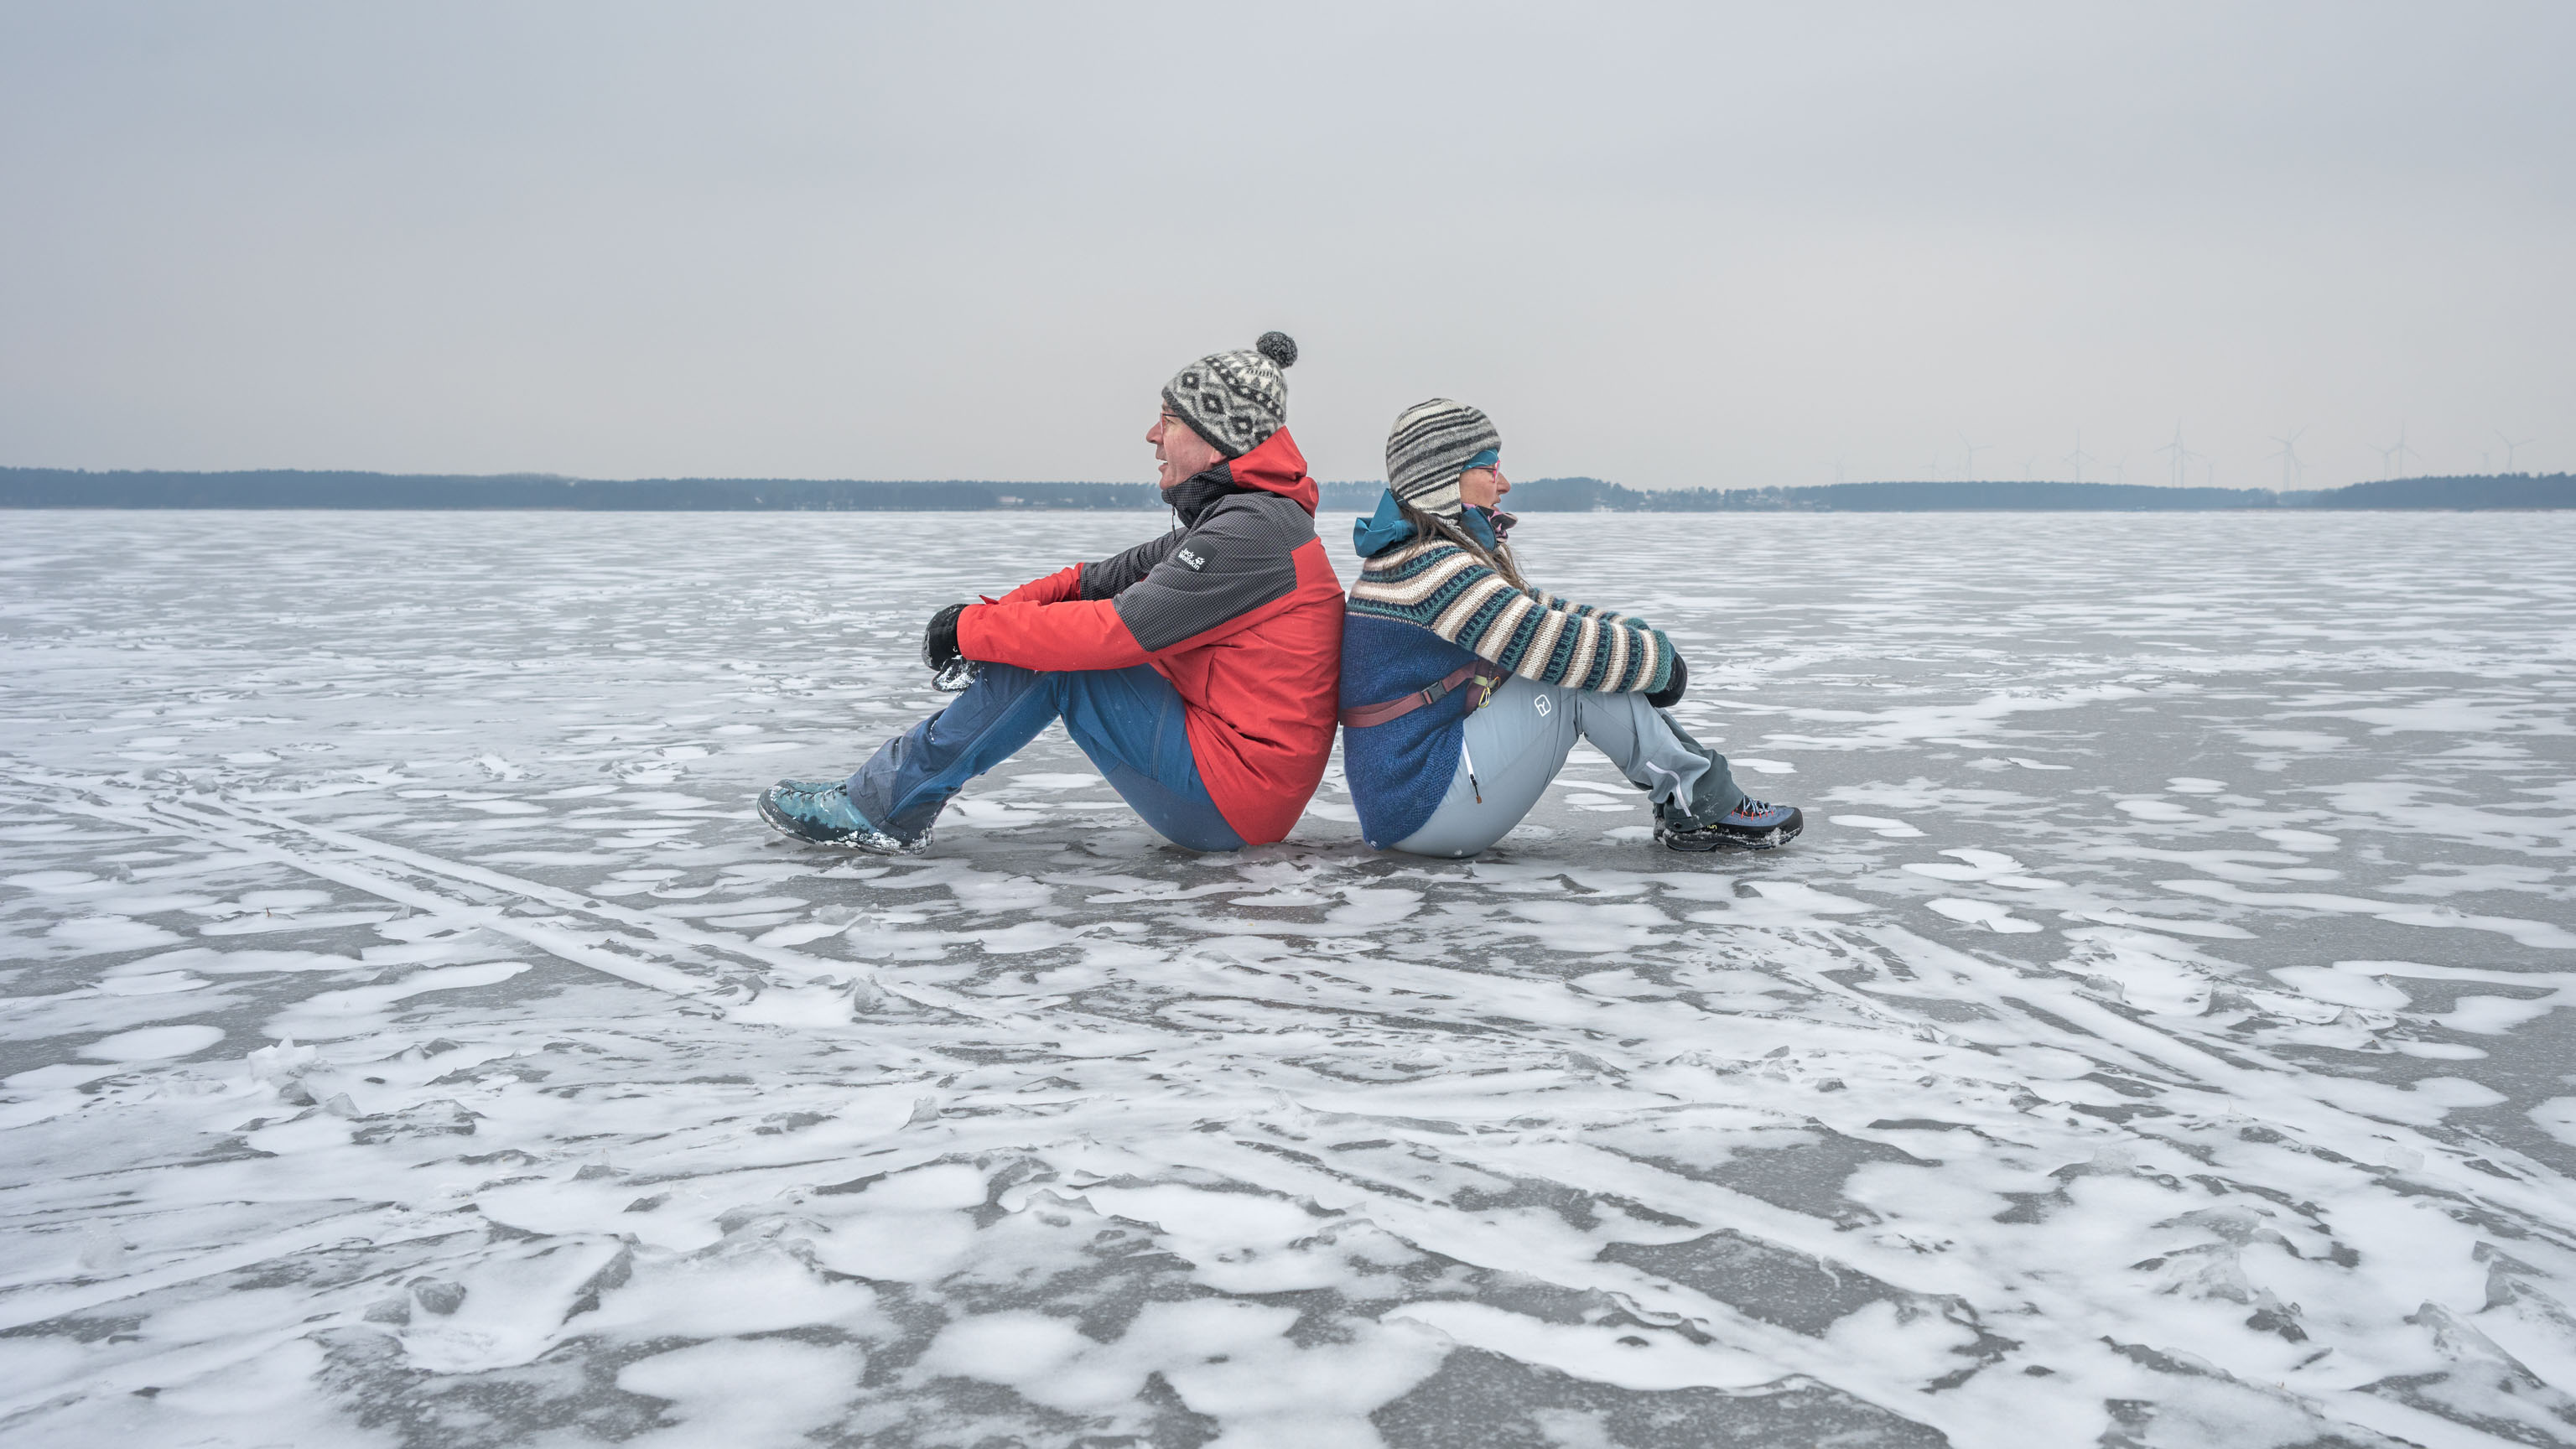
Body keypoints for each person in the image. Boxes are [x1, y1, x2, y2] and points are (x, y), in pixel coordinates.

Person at [758, 332, 1344, 855]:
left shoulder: (1250, 534)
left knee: (1065, 662)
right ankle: (881, 797)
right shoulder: (1248, 520)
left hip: (1234, 800)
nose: (1151, 434)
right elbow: (1100, 578)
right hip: (1238, 781)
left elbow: (1117, 631)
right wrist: (994, 618)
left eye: (1167, 419)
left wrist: (970, 631)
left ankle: (878, 809)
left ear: (1216, 442)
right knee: (1055, 639)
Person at [1338, 398, 1802, 858]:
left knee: (1587, 660)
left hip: (1411, 799)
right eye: (1489, 468)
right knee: (1573, 677)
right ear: (1444, 479)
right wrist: (1659, 665)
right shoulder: (1431, 568)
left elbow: (1541, 608)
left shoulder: (1421, 557)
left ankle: (1699, 796)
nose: (1504, 484)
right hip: (1424, 805)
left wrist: (1639, 637)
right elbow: (1554, 641)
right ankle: (1702, 805)